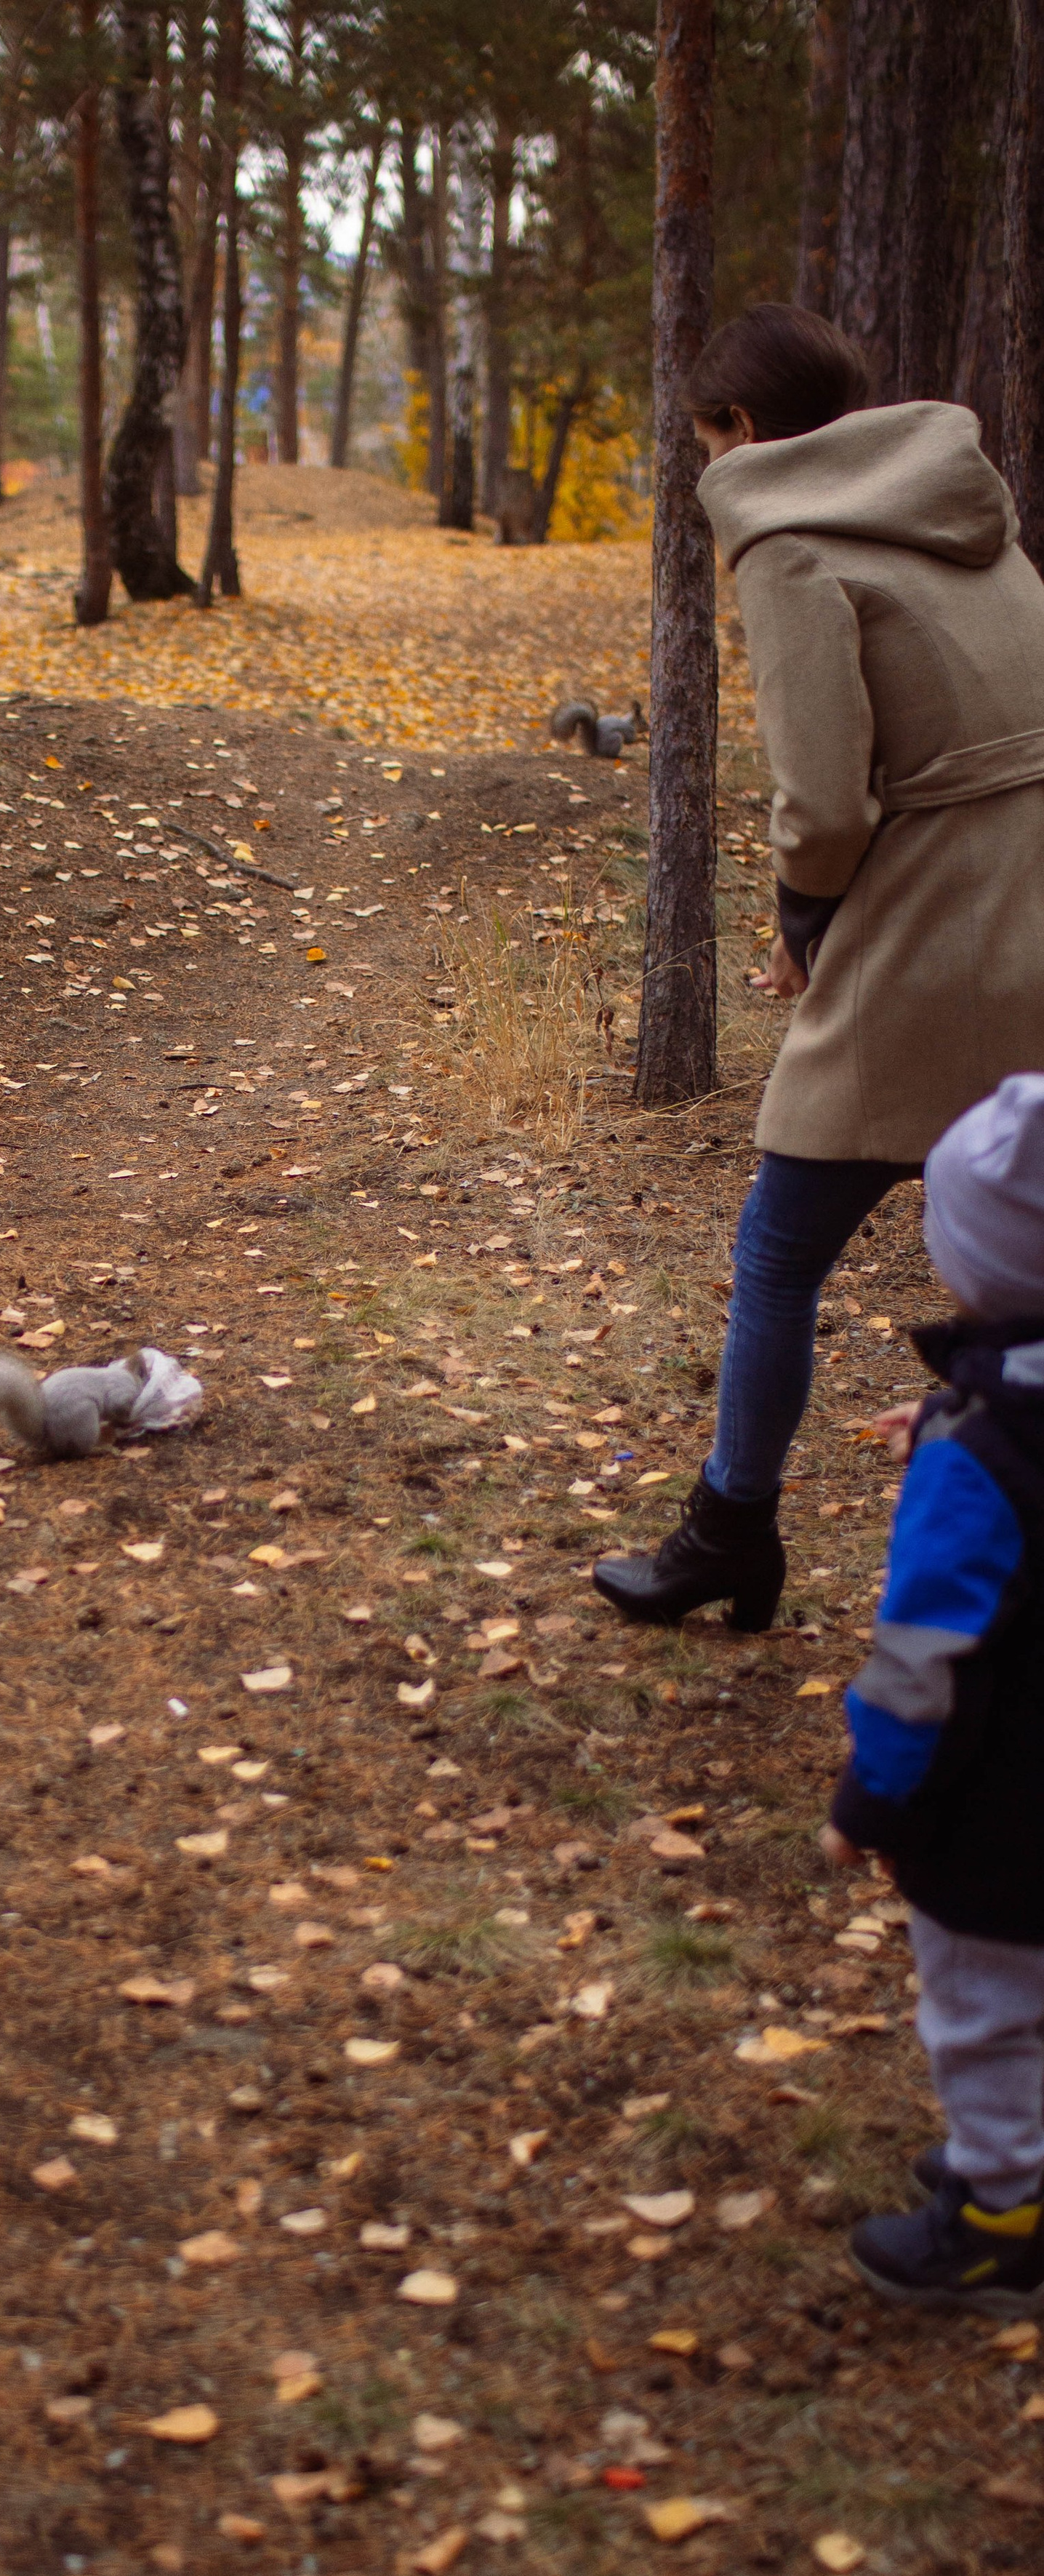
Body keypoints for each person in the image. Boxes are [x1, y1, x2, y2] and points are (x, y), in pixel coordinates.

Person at [594, 301, 1044, 1635]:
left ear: (736, 428)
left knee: (782, 1248)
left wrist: (802, 925)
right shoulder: (974, 511)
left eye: (703, 437)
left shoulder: (786, 548)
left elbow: (827, 807)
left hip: (933, 934)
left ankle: (730, 1531)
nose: (701, 467)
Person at [822, 1078, 1044, 2313]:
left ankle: (1002, 2209)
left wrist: (872, 1802)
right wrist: (966, 1412)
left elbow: (926, 1659)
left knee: (984, 2012)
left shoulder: (977, 1464)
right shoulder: (997, 1419)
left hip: (1003, 1814)